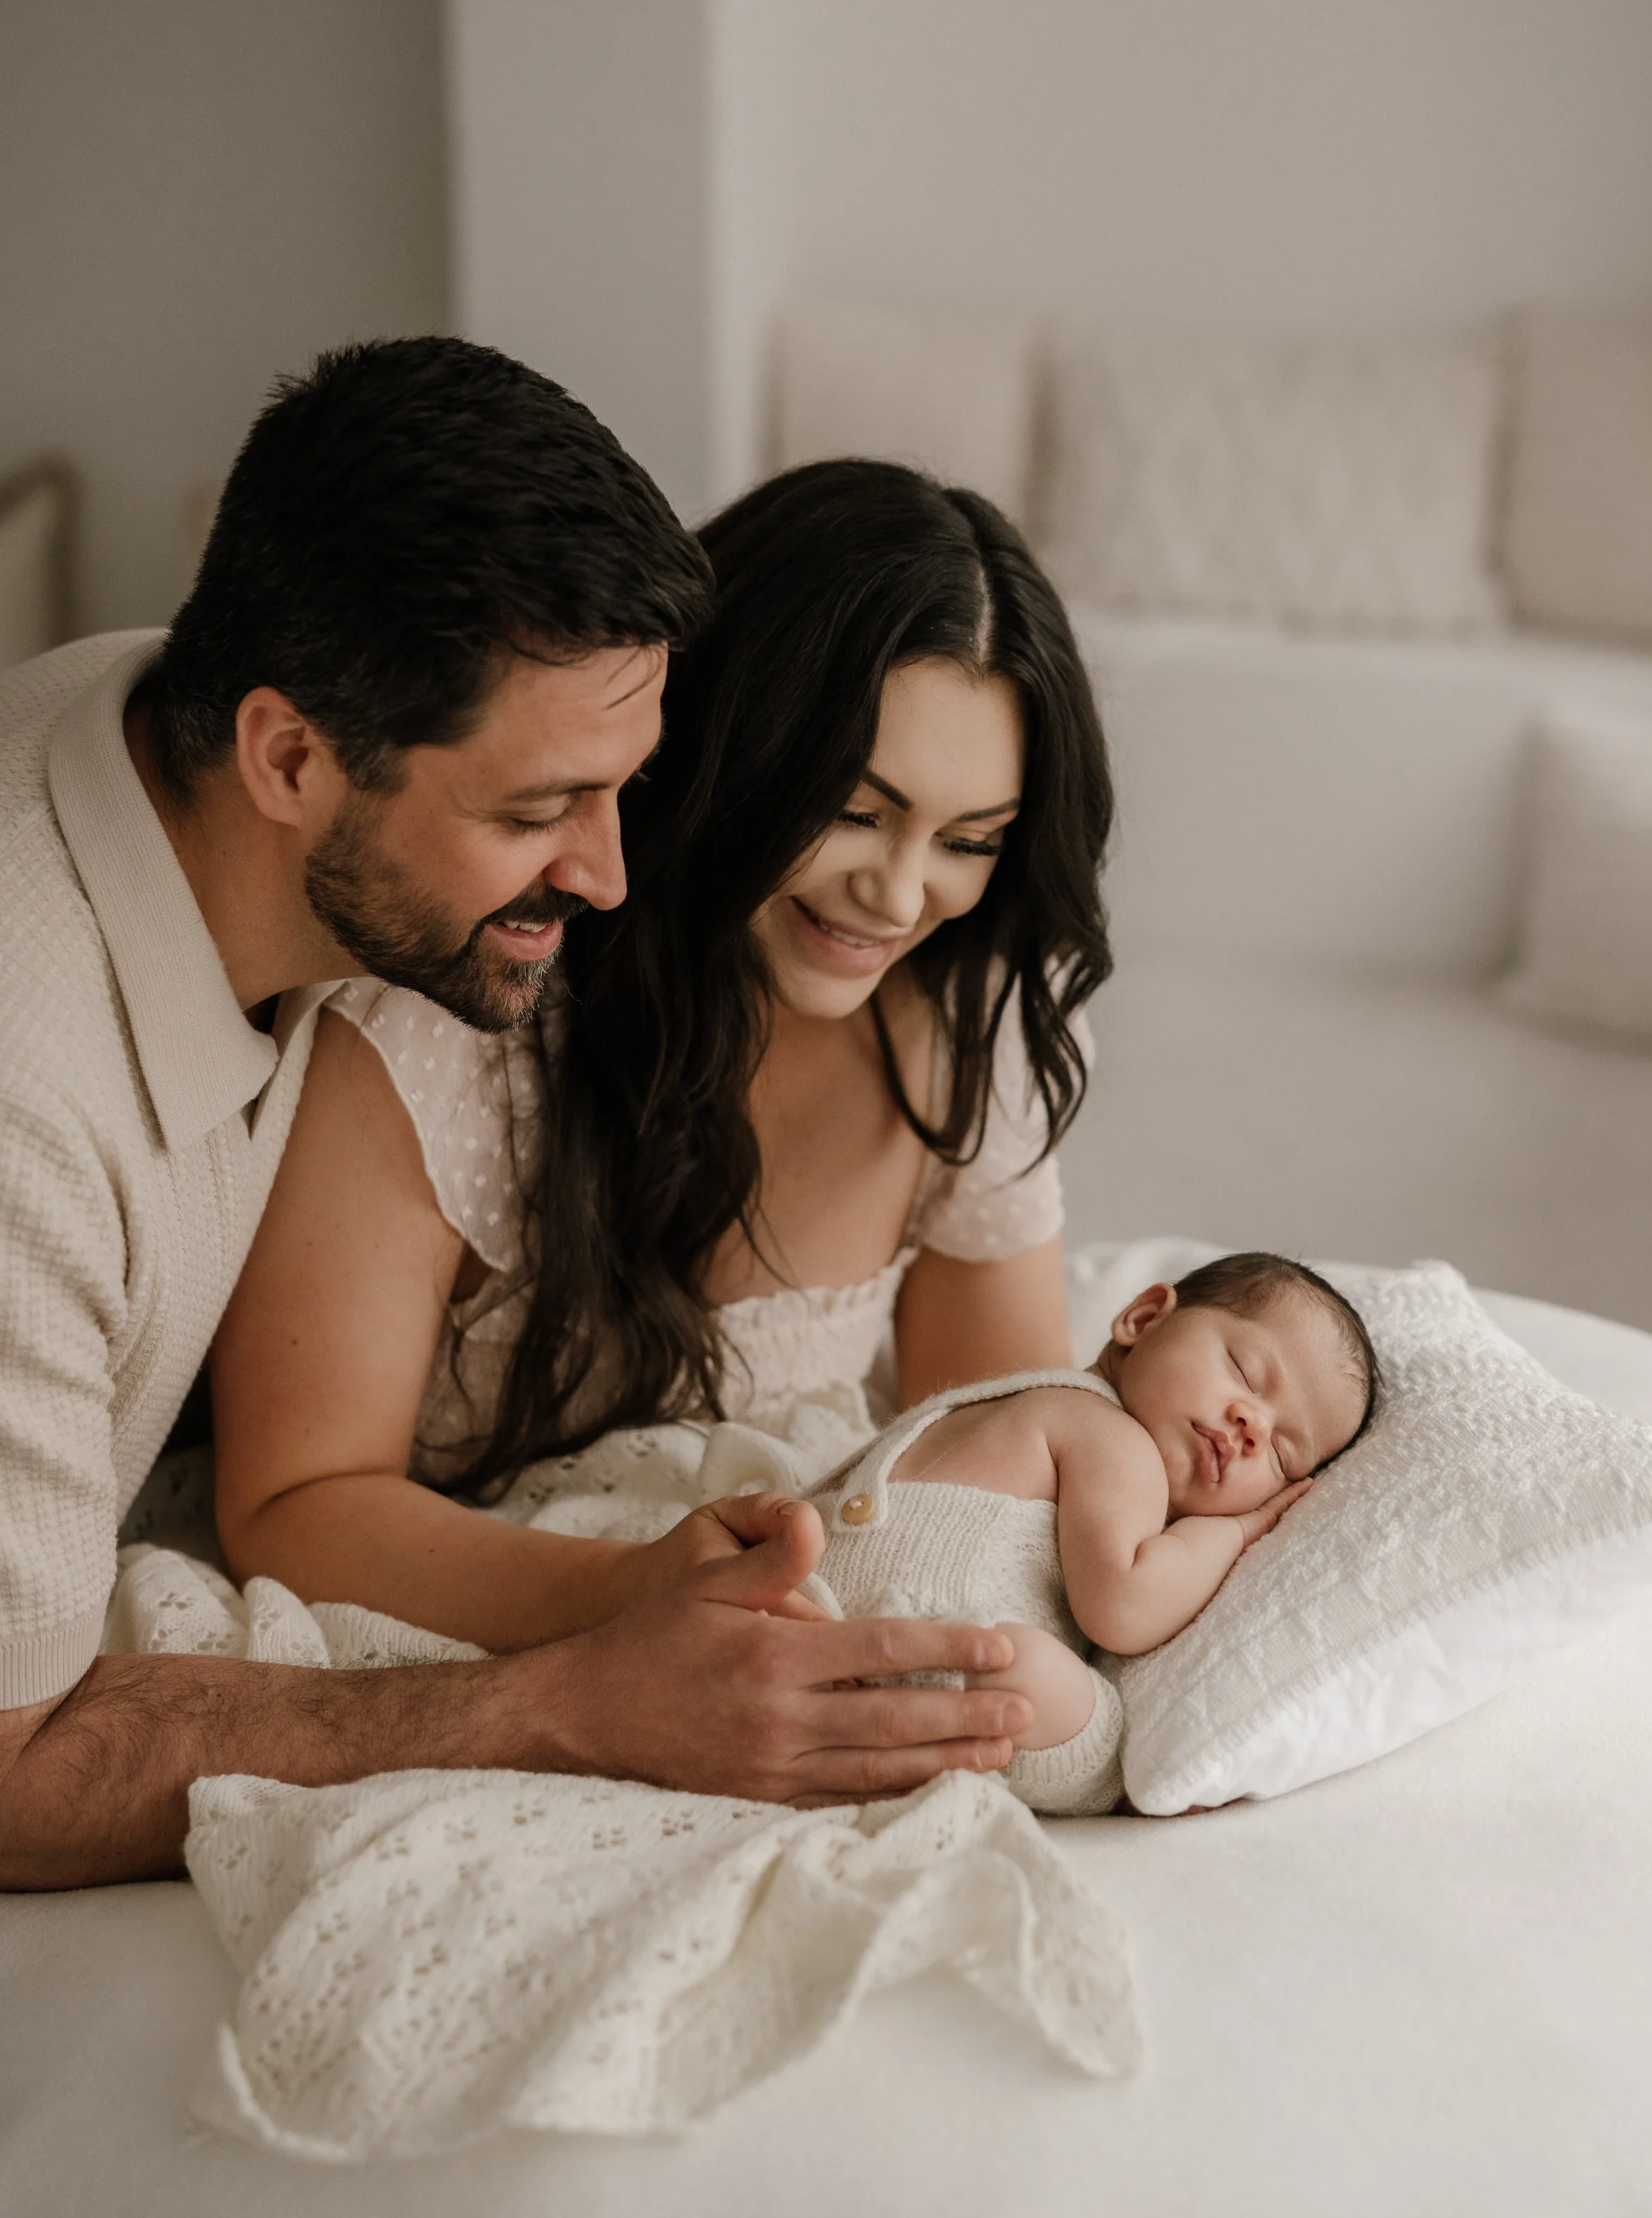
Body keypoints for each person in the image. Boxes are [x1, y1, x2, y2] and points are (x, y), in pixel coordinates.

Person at [0, 347, 1030, 1894]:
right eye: (539, 811)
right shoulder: (33, 1117)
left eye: (625, 788)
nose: (614, 877)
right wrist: (576, 1700)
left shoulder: (163, 705)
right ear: (287, 757)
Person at [211, 460, 1116, 1655]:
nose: (899, 895)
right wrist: (637, 1602)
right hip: (477, 1623)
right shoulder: (449, 1030)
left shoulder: (970, 1026)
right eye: (852, 809)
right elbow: (291, 1507)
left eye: (970, 840)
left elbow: (990, 1464)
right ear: (720, 748)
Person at [796, 1252, 1380, 1814]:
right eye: (1246, 1372)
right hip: (919, 1644)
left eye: (1281, 1454)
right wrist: (1238, 1530)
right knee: (1066, 1699)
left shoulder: (1026, 1397)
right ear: (1144, 1319)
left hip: (797, 1609)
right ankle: (1124, 1799)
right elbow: (1124, 1606)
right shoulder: (1113, 1438)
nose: (1252, 1425)